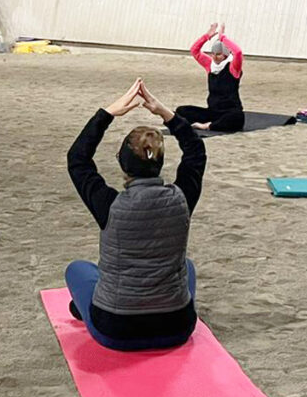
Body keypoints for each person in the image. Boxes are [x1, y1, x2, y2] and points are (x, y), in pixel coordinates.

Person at [64, 79, 206, 351]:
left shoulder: (111, 205)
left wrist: (107, 114)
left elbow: (78, 159)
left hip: (116, 330)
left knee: (77, 269)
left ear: (121, 162)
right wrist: (166, 113)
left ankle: (86, 309)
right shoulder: (181, 199)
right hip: (178, 327)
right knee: (186, 265)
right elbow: (196, 152)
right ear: (160, 162)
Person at [175, 22, 245, 133]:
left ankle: (207, 126)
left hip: (230, 112)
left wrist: (222, 38)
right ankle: (211, 123)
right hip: (213, 112)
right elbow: (194, 51)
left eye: (218, 54)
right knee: (181, 110)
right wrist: (207, 35)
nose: (215, 57)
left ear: (225, 55)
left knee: (237, 117)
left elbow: (238, 52)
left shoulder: (233, 67)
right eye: (213, 54)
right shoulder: (210, 65)